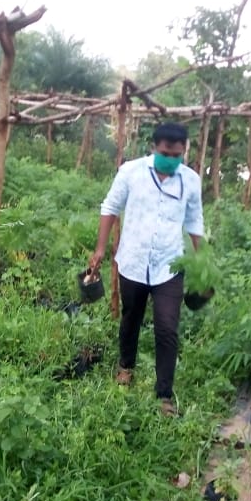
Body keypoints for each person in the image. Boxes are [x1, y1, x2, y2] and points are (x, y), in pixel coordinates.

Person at [89, 122, 204, 417]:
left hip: (170, 264)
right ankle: (126, 366)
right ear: (154, 148)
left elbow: (194, 220)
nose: (171, 159)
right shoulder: (132, 172)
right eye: (166, 153)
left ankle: (163, 395)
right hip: (134, 260)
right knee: (131, 317)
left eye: (177, 154)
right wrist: (100, 249)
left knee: (167, 327)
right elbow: (110, 207)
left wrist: (202, 259)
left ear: (184, 151)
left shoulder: (190, 180)